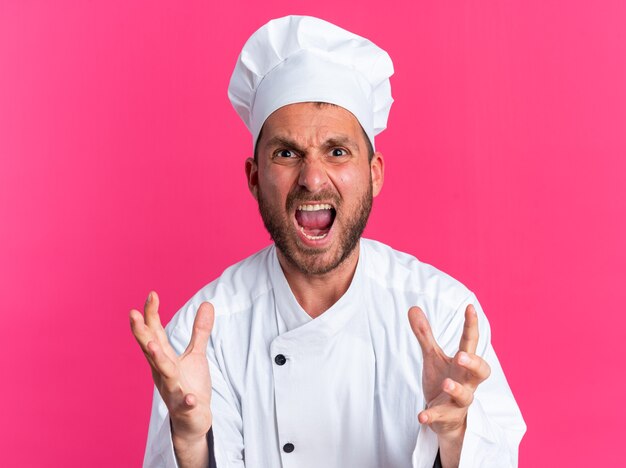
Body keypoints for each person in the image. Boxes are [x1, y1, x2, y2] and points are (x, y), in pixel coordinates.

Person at [130, 15, 526, 468]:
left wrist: (456, 436)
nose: (312, 178)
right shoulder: (205, 335)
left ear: (374, 174)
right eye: (286, 153)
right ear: (255, 178)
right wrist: (191, 444)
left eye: (337, 151)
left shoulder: (446, 314)